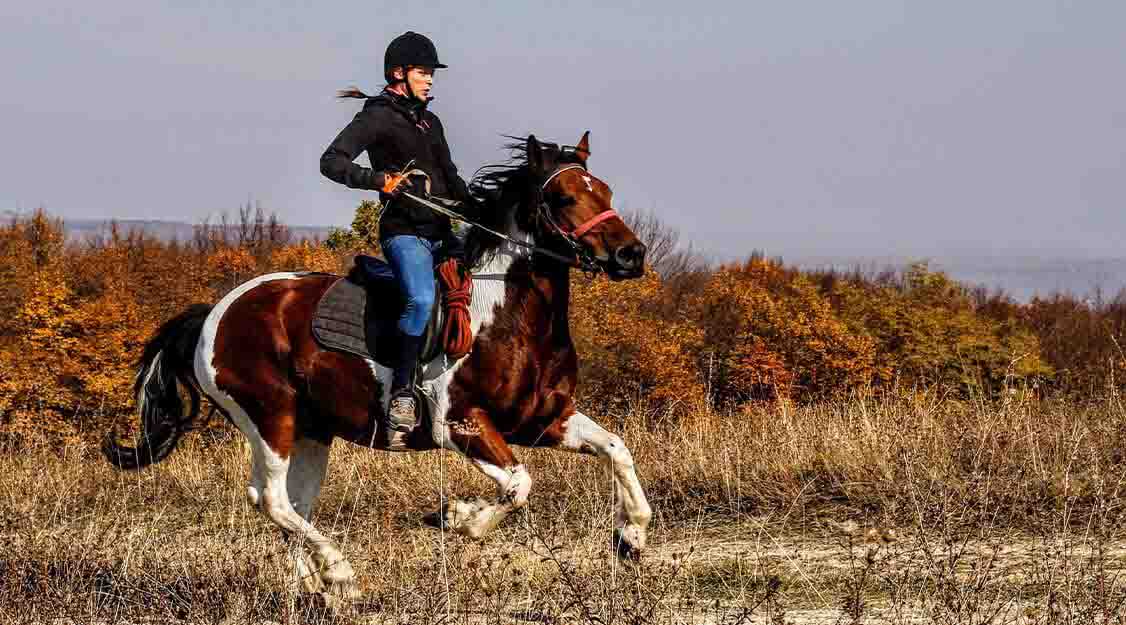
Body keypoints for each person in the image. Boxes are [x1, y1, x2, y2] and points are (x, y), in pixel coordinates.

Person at [320, 31, 476, 450]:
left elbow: (452, 180)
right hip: (404, 232)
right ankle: (402, 393)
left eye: (430, 73)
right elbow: (331, 162)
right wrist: (378, 181)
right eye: (424, 72)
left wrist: (480, 205)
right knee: (422, 300)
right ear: (399, 73)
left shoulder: (431, 121)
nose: (430, 80)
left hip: (441, 233)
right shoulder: (377, 117)